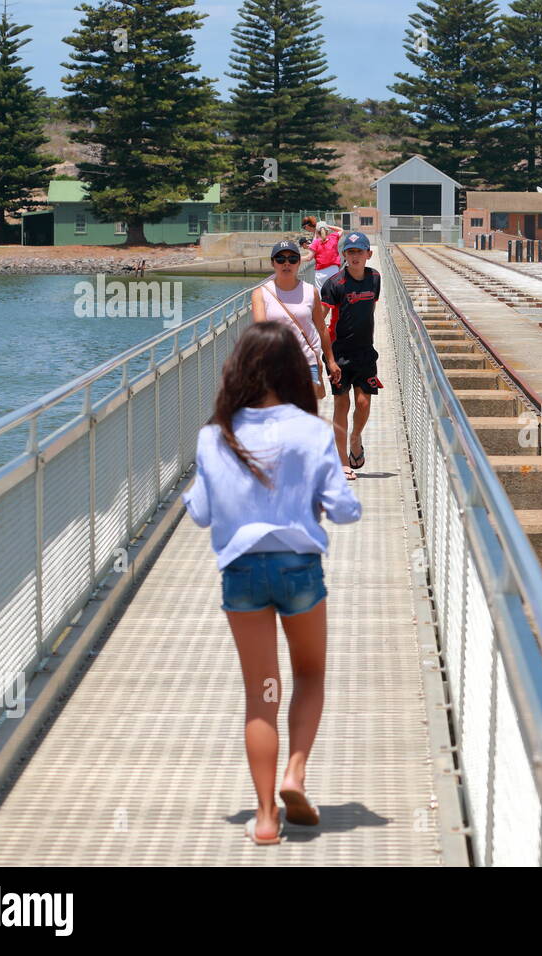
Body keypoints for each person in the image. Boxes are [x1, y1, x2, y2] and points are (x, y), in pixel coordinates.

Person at [182, 322, 361, 845]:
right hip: (298, 567)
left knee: (261, 694)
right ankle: (295, 774)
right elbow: (344, 510)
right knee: (309, 674)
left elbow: (199, 512)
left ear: (239, 369)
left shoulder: (215, 434)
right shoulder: (312, 430)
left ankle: (263, 818)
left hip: (241, 572)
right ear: (291, 372)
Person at [320, 231, 381, 479]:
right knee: (342, 404)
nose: (355, 257)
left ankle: (356, 438)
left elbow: (370, 311)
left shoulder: (375, 278)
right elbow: (321, 322)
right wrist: (329, 359)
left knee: (364, 402)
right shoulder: (334, 284)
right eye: (350, 252)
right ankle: (343, 460)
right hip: (339, 354)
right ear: (343, 255)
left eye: (359, 252)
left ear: (369, 254)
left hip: (366, 352)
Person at [252, 240, 340, 401]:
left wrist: (331, 362)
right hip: (275, 364)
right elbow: (261, 333)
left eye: (292, 259)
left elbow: (321, 329)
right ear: (273, 263)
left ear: (299, 262)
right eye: (281, 260)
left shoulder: (310, 291)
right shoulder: (260, 293)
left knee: (304, 416)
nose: (287, 264)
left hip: (307, 363)